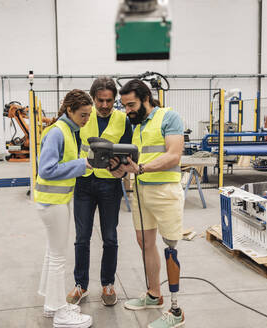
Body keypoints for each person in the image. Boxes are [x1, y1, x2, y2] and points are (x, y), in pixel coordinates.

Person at [111, 79, 185, 328]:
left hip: (166, 191)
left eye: (131, 104)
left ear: (146, 98)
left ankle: (176, 311)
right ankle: (154, 294)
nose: (128, 110)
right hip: (141, 191)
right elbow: (135, 161)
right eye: (125, 106)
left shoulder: (169, 117)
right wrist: (120, 170)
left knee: (170, 247)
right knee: (144, 242)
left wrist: (140, 168)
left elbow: (174, 154)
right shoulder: (137, 125)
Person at [66, 77, 132, 307]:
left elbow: (128, 155)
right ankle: (80, 285)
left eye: (109, 101)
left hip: (109, 185)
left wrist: (122, 173)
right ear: (93, 99)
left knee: (110, 238)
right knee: (82, 238)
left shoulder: (123, 120)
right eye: (100, 100)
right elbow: (72, 144)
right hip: (84, 182)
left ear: (115, 100)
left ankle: (108, 284)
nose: (104, 105)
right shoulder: (84, 115)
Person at [34, 89, 93, 328]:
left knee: (52, 253)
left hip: (56, 201)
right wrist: (81, 164)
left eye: (89, 115)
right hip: (53, 203)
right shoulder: (58, 132)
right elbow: (46, 169)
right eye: (83, 114)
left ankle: (52, 304)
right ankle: (60, 314)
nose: (86, 119)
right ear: (69, 109)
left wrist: (87, 164)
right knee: (59, 257)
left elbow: (72, 164)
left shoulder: (70, 130)